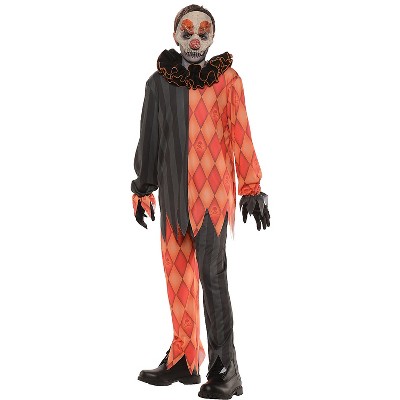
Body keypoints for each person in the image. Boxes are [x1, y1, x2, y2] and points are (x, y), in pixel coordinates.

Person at [131, 4, 270, 398]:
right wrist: (143, 187)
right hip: (174, 199)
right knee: (177, 275)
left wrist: (251, 187)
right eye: (187, 32)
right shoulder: (158, 84)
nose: (194, 40)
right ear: (175, 35)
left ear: (212, 38)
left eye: (202, 33)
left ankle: (226, 368)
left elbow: (241, 132)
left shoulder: (227, 82)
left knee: (212, 277)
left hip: (211, 199)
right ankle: (185, 358)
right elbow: (149, 139)